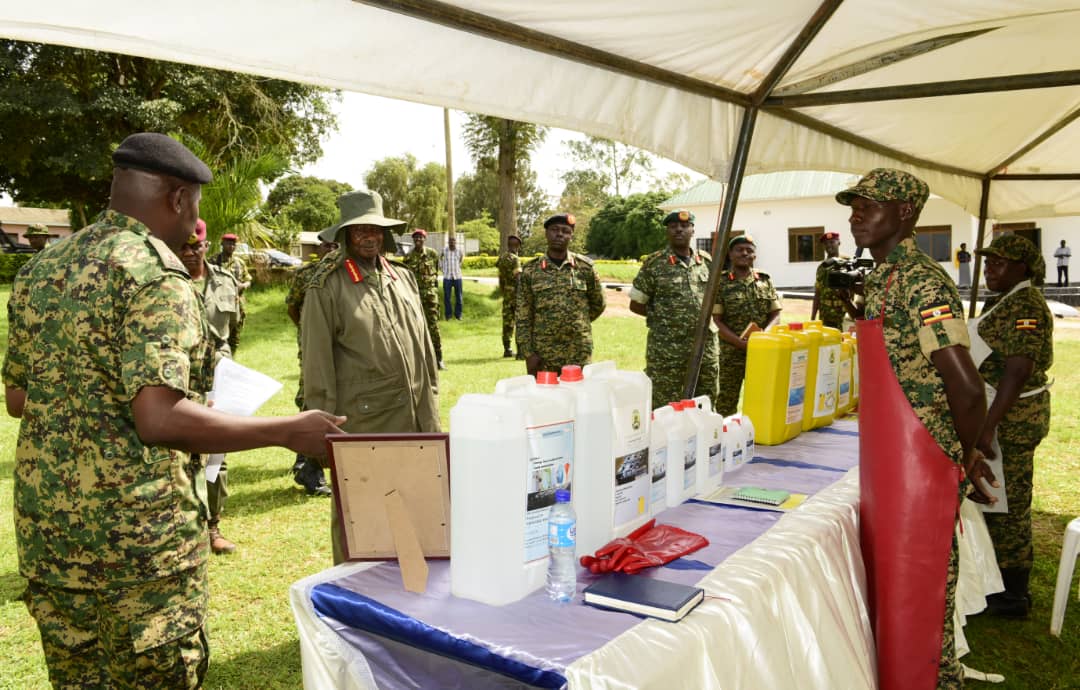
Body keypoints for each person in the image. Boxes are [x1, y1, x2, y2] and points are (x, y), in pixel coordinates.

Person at [2, 132, 344, 688]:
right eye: (195, 207)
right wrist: (287, 431)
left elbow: (19, 399)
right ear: (179, 198)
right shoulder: (156, 274)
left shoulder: (42, 269)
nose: (193, 224)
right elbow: (158, 418)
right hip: (139, 552)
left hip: (53, 543)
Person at [836, 168, 992, 690]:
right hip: (891, 460)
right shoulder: (882, 275)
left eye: (869, 205)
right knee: (894, 594)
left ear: (905, 213)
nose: (856, 214)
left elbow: (967, 388)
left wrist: (961, 458)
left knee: (918, 602)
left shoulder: (923, 281)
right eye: (853, 205)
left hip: (921, 462)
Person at [301, 190, 440, 564]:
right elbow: (317, 365)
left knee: (417, 516)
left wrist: (432, 403)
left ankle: (412, 586)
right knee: (362, 523)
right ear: (345, 234)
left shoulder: (404, 278)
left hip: (418, 422)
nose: (368, 236)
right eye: (359, 229)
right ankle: (354, 599)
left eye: (375, 228)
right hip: (365, 425)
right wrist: (324, 430)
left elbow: (425, 348)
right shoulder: (327, 286)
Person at [971, 234, 1053, 619]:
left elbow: (1018, 370)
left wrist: (987, 428)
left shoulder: (1027, 304)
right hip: (1000, 412)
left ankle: (1013, 596)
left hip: (1014, 419)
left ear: (1023, 267)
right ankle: (997, 582)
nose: (990, 267)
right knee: (996, 498)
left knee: (1011, 503)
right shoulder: (1003, 298)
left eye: (1000, 262)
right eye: (988, 261)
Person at [178, 218, 242, 553]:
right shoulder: (166, 283)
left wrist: (228, 381)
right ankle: (182, 529)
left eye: (196, 246)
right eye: (184, 246)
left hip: (217, 380)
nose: (190, 253)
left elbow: (232, 334)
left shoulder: (226, 282)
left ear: (206, 245)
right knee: (177, 456)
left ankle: (213, 527)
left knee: (217, 457)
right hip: (178, 383)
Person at [629, 209, 719, 410]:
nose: (679, 230)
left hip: (705, 345)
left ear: (693, 230)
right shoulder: (654, 264)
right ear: (667, 232)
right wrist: (667, 319)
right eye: (673, 227)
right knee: (665, 402)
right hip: (667, 347)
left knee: (707, 398)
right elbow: (636, 303)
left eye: (685, 226)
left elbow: (716, 298)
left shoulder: (706, 262)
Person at [284, 226, 339, 497]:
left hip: (340, 350)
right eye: (325, 246)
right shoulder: (306, 275)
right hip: (311, 351)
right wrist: (307, 332)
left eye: (334, 246)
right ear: (319, 249)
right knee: (310, 400)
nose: (330, 250)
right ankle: (309, 470)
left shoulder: (345, 274)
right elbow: (292, 307)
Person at [516, 213, 606, 376]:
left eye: (565, 231)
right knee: (545, 399)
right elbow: (523, 315)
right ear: (546, 234)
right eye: (554, 230)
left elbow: (598, 304)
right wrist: (528, 353)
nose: (559, 234)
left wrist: (577, 320)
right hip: (543, 353)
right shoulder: (531, 271)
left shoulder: (584, 267)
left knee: (580, 397)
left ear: (571, 236)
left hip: (578, 350)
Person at [711, 235, 781, 416]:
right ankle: (725, 438)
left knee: (761, 398)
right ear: (730, 254)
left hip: (761, 352)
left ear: (755, 256)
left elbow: (775, 314)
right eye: (739, 250)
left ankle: (757, 435)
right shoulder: (720, 282)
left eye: (749, 250)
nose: (744, 253)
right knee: (725, 401)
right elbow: (716, 320)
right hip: (729, 355)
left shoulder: (764, 280)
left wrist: (764, 336)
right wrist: (739, 343)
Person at [402, 228, 445, 368]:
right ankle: (421, 360)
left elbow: (436, 272)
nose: (418, 240)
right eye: (416, 238)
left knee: (433, 326)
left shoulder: (432, 254)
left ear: (424, 239)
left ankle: (439, 359)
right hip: (414, 297)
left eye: (420, 237)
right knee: (416, 327)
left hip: (431, 297)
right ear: (413, 240)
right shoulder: (408, 257)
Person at [210, 232, 252, 352]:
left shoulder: (240, 262)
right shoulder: (213, 260)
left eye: (233, 244)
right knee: (218, 336)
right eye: (228, 244)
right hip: (219, 304)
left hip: (237, 303)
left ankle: (231, 358)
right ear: (222, 244)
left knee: (235, 336)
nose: (231, 246)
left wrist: (243, 285)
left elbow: (248, 280)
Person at [811, 230, 849, 330]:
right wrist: (812, 318)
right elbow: (817, 293)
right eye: (826, 243)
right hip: (825, 315)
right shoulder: (821, 267)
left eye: (832, 242)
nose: (829, 245)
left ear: (838, 243)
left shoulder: (848, 263)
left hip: (844, 313)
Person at [496, 235, 524, 358]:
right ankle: (520, 352)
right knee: (520, 322)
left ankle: (507, 349)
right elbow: (518, 278)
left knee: (507, 322)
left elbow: (500, 278)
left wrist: (503, 291)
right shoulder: (515, 259)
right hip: (516, 295)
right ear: (517, 246)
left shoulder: (501, 258)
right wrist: (521, 295)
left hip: (506, 294)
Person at [440, 234, 465, 320]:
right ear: (448, 242)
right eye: (450, 241)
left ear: (456, 242)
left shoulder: (459, 251)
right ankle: (448, 315)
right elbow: (440, 258)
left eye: (453, 241)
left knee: (459, 297)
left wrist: (459, 266)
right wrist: (442, 268)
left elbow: (462, 258)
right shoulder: (444, 250)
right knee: (447, 297)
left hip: (457, 277)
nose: (452, 243)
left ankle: (458, 315)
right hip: (447, 277)